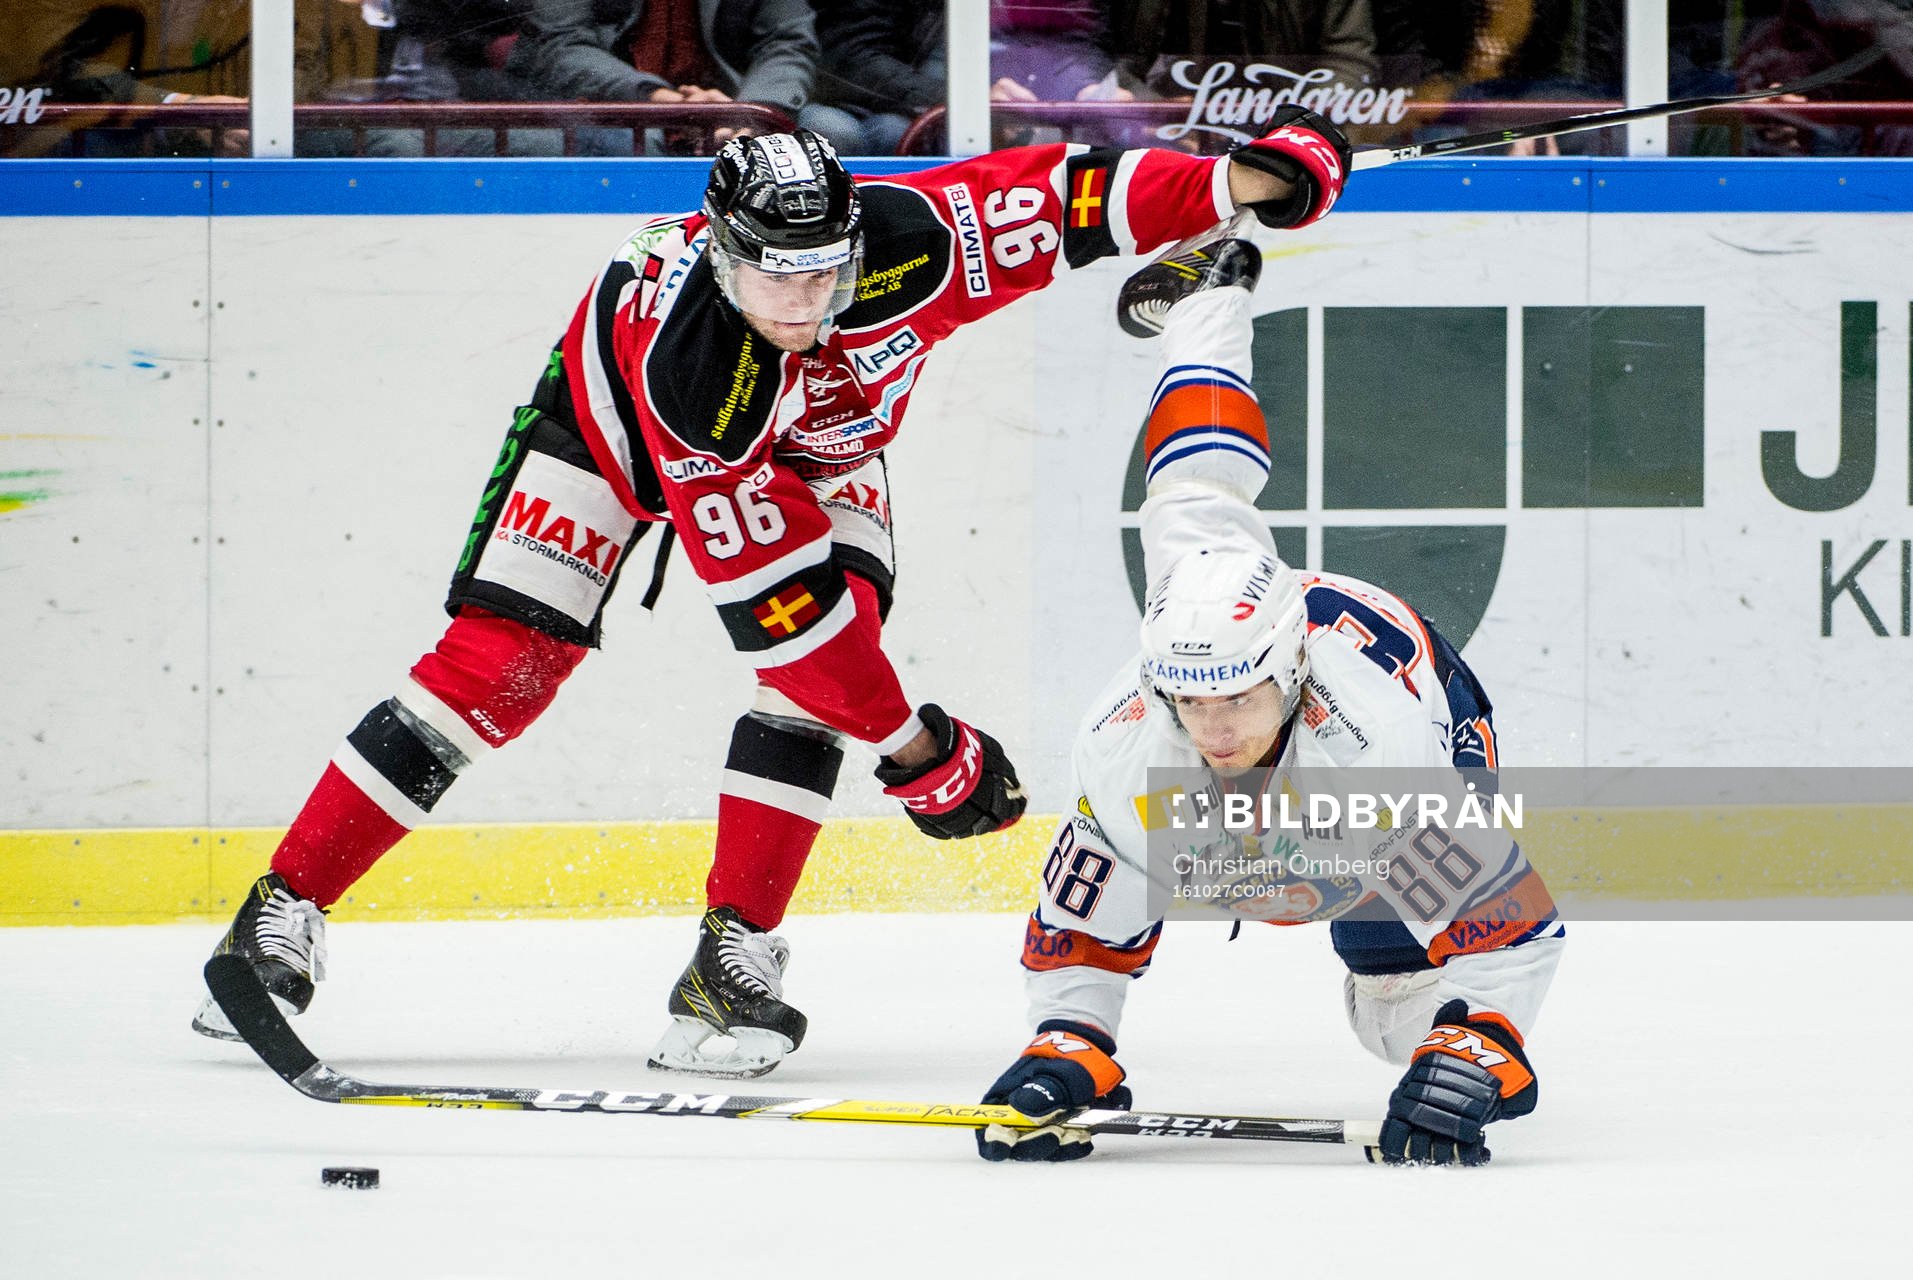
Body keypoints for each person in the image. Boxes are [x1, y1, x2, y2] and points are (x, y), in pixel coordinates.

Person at [191, 114, 1357, 1079]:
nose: (801, 300)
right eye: (770, 273)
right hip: (611, 437)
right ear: (717, 255)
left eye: (823, 271)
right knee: (502, 665)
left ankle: (729, 959)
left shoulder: (912, 240)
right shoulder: (696, 377)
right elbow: (790, 624)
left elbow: (1069, 197)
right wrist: (920, 753)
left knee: (819, 685)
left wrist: (1238, 179)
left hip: (825, 455)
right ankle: (280, 908)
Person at [975, 228, 1564, 1164]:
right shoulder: (1127, 740)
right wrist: (1066, 1046)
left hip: (1422, 700)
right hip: (1278, 711)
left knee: (1401, 1027)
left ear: (1290, 676)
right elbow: (1080, 932)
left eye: (1237, 701)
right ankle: (1206, 297)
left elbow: (1514, 932)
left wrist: (1479, 1048)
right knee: (1193, 491)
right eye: (1188, 701)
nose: (1212, 729)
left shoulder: (1382, 756)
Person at [508, 0, 842, 154]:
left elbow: (786, 41)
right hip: (617, 106)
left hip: (736, 102)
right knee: (640, 146)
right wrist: (660, 99)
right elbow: (561, 45)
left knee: (835, 133)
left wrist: (753, 113)